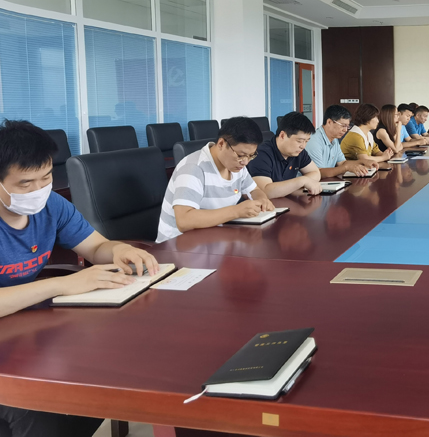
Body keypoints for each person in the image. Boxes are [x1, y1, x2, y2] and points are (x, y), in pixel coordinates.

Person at [0, 120, 160, 436]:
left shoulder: (52, 206)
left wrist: (120, 249)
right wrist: (62, 284)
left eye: (46, 177)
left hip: (23, 330)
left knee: (103, 377)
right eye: (25, 183)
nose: (39, 190)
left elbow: (96, 247)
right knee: (38, 408)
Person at [157, 116, 275, 242]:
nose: (245, 162)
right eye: (241, 155)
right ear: (221, 144)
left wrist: (261, 199)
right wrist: (236, 211)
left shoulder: (236, 166)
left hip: (214, 238)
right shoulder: (193, 168)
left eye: (251, 156)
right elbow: (184, 220)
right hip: (177, 246)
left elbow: (254, 190)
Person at [248, 112, 322, 198]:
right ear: (282, 135)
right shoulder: (261, 153)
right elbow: (264, 191)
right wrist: (302, 181)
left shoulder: (298, 152)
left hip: (287, 201)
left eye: (306, 141)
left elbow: (315, 173)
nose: (303, 146)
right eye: (299, 141)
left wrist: (292, 186)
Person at [305, 105, 375, 178]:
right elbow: (319, 172)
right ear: (329, 122)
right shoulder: (314, 141)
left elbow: (342, 163)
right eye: (343, 125)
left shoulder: (334, 139)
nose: (345, 130)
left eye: (347, 126)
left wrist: (363, 162)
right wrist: (346, 168)